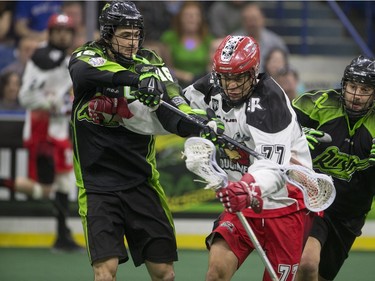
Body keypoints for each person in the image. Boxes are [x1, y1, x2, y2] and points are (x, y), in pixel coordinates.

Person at [68, 2, 222, 280]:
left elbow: (174, 103)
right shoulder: (88, 54)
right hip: (97, 187)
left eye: (137, 35)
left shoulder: (151, 61)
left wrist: (198, 125)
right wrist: (137, 80)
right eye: (126, 35)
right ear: (107, 33)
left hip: (141, 181)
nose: (133, 41)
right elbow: (83, 72)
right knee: (105, 272)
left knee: (165, 273)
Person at [183, 35, 312, 281]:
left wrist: (247, 187)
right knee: (216, 273)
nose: (230, 84)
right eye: (225, 76)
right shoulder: (211, 86)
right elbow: (178, 108)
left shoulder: (270, 100)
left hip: (282, 204)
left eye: (238, 77)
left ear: (253, 72)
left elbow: (273, 168)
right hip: (241, 201)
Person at [0, 13, 82, 252]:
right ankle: (62, 234)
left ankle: (62, 235)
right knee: (48, 188)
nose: (63, 35)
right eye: (58, 30)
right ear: (50, 32)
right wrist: (55, 103)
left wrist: (65, 103)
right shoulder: (41, 58)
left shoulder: (66, 61)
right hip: (41, 131)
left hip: (59, 130)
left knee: (65, 184)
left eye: (67, 31)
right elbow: (26, 96)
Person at [292, 55, 375, 281]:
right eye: (352, 86)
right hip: (314, 200)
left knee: (319, 276)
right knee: (307, 263)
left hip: (350, 214)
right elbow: (278, 128)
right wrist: (299, 137)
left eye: (365, 89)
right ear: (344, 84)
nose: (357, 95)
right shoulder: (317, 103)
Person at [160, 1, 214, 88]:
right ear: (180, 18)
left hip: (202, 84)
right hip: (176, 84)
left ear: (201, 19)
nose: (192, 18)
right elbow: (165, 68)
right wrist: (183, 75)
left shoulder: (208, 39)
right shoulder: (169, 38)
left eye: (196, 15)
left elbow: (209, 67)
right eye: (188, 15)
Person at [234, 3, 289, 73]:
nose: (251, 23)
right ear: (242, 22)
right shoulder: (234, 41)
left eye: (254, 19)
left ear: (262, 19)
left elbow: (287, 67)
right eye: (247, 20)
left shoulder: (275, 42)